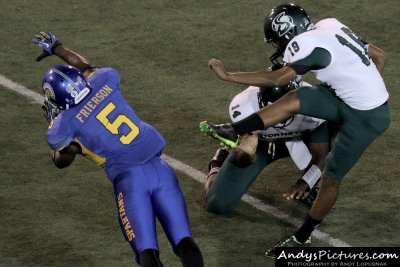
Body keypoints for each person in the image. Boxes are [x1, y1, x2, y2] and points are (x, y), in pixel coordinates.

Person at [199, 3, 390, 256]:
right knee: (293, 100)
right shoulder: (329, 25)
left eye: (279, 39)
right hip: (353, 102)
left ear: (288, 32)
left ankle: (301, 239)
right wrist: (366, 88)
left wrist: (228, 75)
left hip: (366, 119)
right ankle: (238, 131)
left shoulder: (311, 45)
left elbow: (279, 78)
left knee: (331, 179)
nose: (279, 47)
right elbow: (380, 56)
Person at [32, 32, 204, 267]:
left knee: (147, 253)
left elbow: (61, 160)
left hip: (130, 180)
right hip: (160, 168)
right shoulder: (106, 79)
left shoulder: (63, 126)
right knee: (185, 242)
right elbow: (87, 66)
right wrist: (58, 48)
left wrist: (53, 121)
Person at [203, 73, 330, 215]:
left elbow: (322, 155)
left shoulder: (313, 107)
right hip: (261, 145)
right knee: (218, 204)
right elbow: (243, 158)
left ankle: (309, 190)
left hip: (300, 139)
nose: (279, 115)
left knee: (338, 143)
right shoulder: (245, 106)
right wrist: (247, 153)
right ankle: (217, 165)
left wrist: (306, 182)